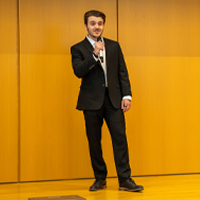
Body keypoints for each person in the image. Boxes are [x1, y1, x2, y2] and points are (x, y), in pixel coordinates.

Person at [71, 10, 144, 192]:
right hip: (91, 101)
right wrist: (94, 54)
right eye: (93, 23)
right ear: (86, 26)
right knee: (94, 141)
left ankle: (125, 180)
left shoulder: (114, 46)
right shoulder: (78, 48)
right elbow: (78, 71)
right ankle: (100, 178)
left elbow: (122, 72)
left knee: (120, 138)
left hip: (113, 100)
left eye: (100, 23)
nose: (97, 27)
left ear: (103, 25)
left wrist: (126, 96)